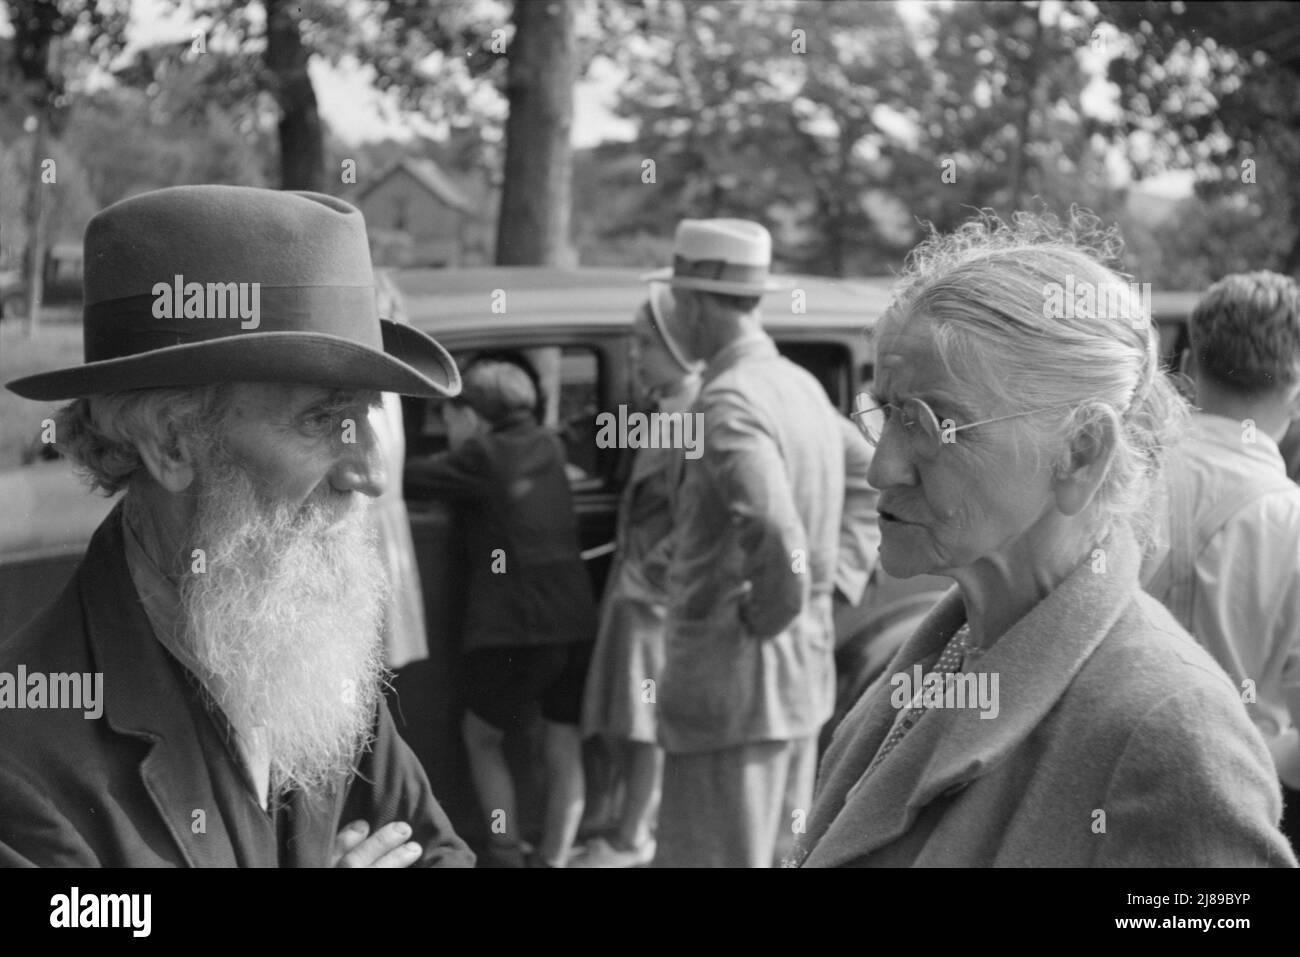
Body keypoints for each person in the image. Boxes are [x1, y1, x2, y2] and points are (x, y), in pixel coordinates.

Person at [795, 212, 1296, 867]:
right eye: (887, 411)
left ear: (1081, 455)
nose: (882, 465)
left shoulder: (1171, 732)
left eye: (936, 424)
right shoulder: (953, 648)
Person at [0, 185, 474, 867]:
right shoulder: (22, 753)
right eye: (322, 419)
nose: (369, 472)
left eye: (366, 418)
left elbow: (439, 853)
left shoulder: (307, 642)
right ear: (171, 443)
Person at [645, 218, 847, 868]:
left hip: (730, 689)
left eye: (678, 297)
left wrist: (772, 610)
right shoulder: (800, 385)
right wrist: (830, 584)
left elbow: (774, 525)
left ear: (697, 302)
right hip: (793, 684)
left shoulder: (729, 399)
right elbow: (870, 472)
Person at [406, 358, 598, 868]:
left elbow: (407, 477)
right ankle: (554, 858)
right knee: (563, 740)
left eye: (448, 416)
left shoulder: (483, 455)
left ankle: (506, 854)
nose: (446, 427)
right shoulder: (551, 445)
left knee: (482, 736)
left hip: (513, 626)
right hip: (574, 621)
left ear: (472, 415)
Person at [1141, 271, 1300, 851]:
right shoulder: (1290, 520)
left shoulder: (1112, 482)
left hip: (1092, 802)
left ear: (1186, 367)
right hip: (1227, 830)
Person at [576, 285, 700, 867]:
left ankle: (633, 831)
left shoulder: (694, 413)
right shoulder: (666, 410)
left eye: (646, 344)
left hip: (655, 595)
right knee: (626, 712)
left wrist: (651, 573)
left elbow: (697, 518)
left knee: (643, 715)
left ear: (678, 345)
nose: (635, 358)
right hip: (636, 586)